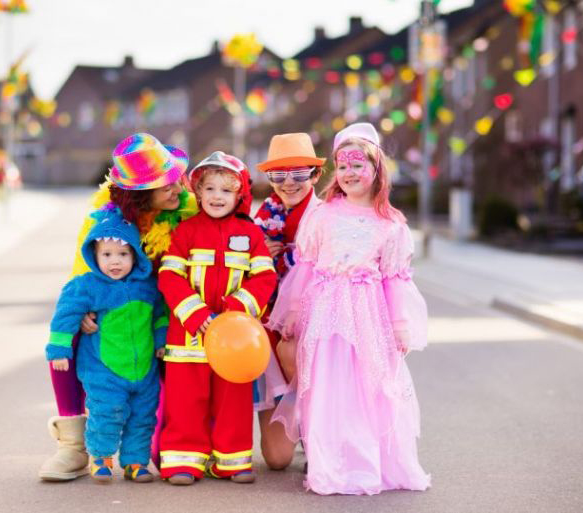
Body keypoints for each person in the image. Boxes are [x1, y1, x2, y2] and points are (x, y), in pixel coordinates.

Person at [268, 123, 431, 495]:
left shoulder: (390, 225)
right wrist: (292, 310)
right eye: (343, 166)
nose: (350, 173)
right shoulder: (324, 215)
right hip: (324, 312)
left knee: (366, 388)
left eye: (359, 165)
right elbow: (306, 266)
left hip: (368, 316)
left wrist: (400, 325)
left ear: (377, 169)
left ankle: (365, 463)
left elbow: (395, 279)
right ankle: (330, 463)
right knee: (327, 386)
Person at [39, 133, 197, 481]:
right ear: (140, 195)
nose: (178, 188)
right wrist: (83, 315)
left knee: (158, 451)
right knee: (65, 340)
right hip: (115, 316)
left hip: (168, 313)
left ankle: (189, 437)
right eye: (166, 184)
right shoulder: (102, 221)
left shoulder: (187, 210)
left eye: (176, 179)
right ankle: (73, 447)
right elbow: (81, 279)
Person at [157, 151, 277, 485]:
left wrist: (237, 310)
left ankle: (232, 460)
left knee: (233, 400)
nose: (216, 197)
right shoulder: (186, 232)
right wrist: (194, 313)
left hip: (235, 340)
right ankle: (184, 462)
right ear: (197, 192)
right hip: (189, 337)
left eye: (226, 191)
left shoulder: (250, 234)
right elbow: (169, 277)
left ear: (240, 195)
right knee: (185, 401)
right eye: (209, 189)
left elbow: (265, 278)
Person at [46, 207, 167, 483]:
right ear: (94, 255)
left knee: (142, 416)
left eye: (123, 254)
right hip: (104, 370)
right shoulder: (87, 286)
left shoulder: (147, 286)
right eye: (107, 255)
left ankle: (135, 462)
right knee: (106, 412)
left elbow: (161, 314)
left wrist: (160, 341)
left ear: (135, 255)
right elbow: (65, 315)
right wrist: (59, 350)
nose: (115, 262)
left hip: (144, 369)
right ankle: (100, 457)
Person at [253, 133, 325, 470]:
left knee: (307, 368)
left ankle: (320, 438)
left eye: (298, 174)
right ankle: (291, 428)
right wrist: (256, 257)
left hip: (313, 327)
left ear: (314, 175)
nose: (288, 183)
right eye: (278, 176)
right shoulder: (260, 219)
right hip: (269, 326)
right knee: (277, 460)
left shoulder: (327, 218)